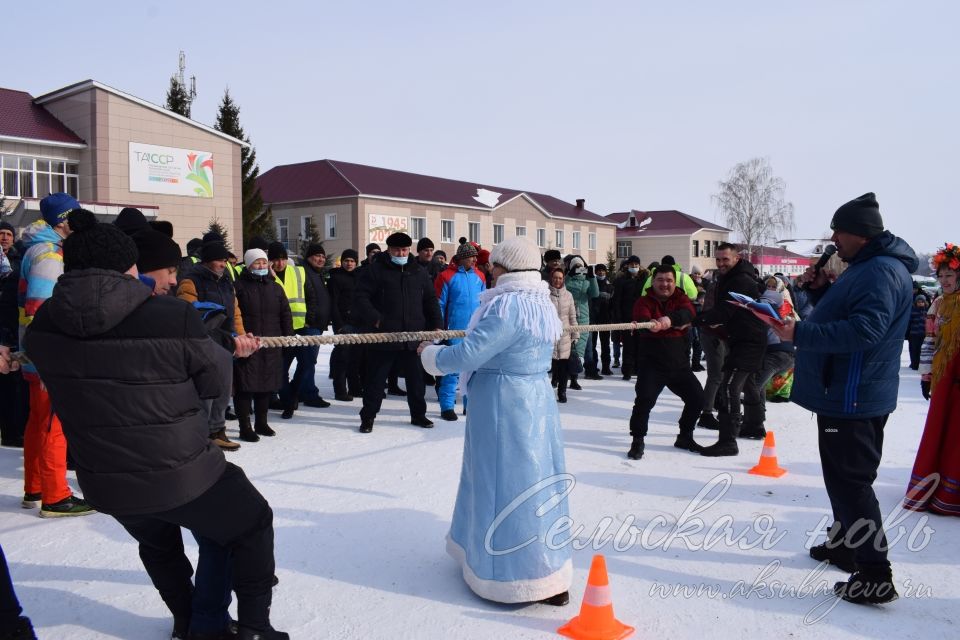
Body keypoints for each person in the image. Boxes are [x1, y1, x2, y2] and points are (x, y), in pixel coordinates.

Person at [23, 211, 287, 639]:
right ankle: (253, 628)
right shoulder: (171, 317)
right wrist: (222, 349)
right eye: (166, 270)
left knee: (157, 540)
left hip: (106, 480)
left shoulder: (43, 327)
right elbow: (214, 386)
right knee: (250, 521)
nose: (169, 278)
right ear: (131, 267)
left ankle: (188, 620)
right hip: (180, 472)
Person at [775, 192, 916, 605]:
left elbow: (866, 332)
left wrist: (799, 333)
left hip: (854, 395)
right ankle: (844, 546)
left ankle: (875, 574)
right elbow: (851, 316)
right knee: (842, 479)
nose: (833, 238)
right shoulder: (867, 267)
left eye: (838, 230)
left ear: (859, 233)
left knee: (852, 483)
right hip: (850, 393)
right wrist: (821, 295)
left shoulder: (878, 272)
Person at [418, 236, 571, 606]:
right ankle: (547, 569)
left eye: (495, 264)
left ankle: (511, 572)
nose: (490, 269)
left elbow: (470, 353)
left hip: (504, 404)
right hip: (534, 399)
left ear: (507, 267)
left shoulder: (507, 306)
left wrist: (431, 355)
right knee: (537, 479)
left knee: (501, 481)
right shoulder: (539, 301)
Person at [18, 192, 95, 517]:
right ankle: (56, 495)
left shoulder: (38, 249)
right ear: (63, 221)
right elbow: (40, 309)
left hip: (34, 353)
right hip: (47, 356)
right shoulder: (50, 256)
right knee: (54, 423)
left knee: (38, 422)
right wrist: (52, 357)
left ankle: (34, 488)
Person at [352, 232, 443, 433]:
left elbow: (430, 300)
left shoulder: (419, 272)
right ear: (389, 250)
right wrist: (376, 319)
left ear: (409, 250)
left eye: (404, 249)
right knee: (375, 381)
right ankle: (368, 417)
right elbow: (361, 297)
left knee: (416, 381)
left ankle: (418, 415)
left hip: (412, 337)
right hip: (384, 336)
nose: (400, 253)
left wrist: (437, 324)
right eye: (396, 250)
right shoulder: (376, 270)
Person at [626, 265, 705, 459]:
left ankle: (685, 435)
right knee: (644, 402)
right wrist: (648, 324)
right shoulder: (643, 301)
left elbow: (688, 314)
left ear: (674, 282)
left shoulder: (681, 298)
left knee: (697, 399)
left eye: (669, 280)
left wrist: (669, 320)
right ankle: (638, 440)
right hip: (652, 364)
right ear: (653, 282)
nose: (664, 284)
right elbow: (642, 319)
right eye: (660, 280)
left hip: (679, 365)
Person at [905, 243, 960, 516]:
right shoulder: (937, 303)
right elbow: (929, 342)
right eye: (941, 276)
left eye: (949, 276)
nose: (944, 281)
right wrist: (926, 377)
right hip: (943, 375)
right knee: (940, 430)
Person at [697, 243, 766, 457]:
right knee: (749, 383)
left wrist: (694, 320)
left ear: (736, 258)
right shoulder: (731, 277)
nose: (721, 263)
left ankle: (728, 441)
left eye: (725, 259)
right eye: (718, 259)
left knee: (728, 387)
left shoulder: (740, 280)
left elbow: (724, 311)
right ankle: (754, 426)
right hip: (741, 339)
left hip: (749, 341)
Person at [177, 239, 246, 452]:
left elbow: (235, 312)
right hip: (202, 342)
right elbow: (186, 308)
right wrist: (210, 311)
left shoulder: (226, 281)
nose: (223, 264)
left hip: (225, 341)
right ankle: (200, 433)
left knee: (223, 389)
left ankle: (217, 429)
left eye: (225, 260)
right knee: (204, 391)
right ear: (207, 261)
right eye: (219, 260)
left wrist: (241, 336)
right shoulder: (191, 280)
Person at [234, 249, 294, 442]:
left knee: (266, 385)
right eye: (256, 263)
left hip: (271, 343)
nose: (261, 266)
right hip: (248, 344)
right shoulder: (239, 286)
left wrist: (288, 337)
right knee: (245, 386)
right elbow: (234, 314)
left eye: (263, 263)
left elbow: (285, 313)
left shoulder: (275, 287)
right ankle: (245, 427)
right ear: (248, 265)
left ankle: (261, 422)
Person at [434, 242, 486, 420]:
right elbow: (439, 304)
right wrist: (440, 328)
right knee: (453, 368)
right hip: (453, 330)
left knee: (472, 370)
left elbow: (484, 304)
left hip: (474, 332)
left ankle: (469, 405)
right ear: (462, 257)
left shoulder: (480, 276)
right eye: (471, 256)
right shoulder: (446, 276)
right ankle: (447, 406)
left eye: (475, 257)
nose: (474, 259)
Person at [280, 242, 331, 417]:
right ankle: (304, 393)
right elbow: (306, 300)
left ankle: (299, 391)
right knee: (304, 362)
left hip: (314, 326)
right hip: (304, 326)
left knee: (308, 362)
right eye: (317, 255)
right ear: (309, 257)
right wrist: (309, 320)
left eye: (323, 256)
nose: (321, 259)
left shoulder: (317, 274)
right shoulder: (301, 272)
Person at [740, 288, 795, 440]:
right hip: (786, 354)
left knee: (754, 386)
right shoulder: (776, 311)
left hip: (777, 353)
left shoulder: (763, 312)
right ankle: (757, 418)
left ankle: (754, 424)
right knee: (759, 385)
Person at [0, 221, 28, 449]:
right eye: (1, 234)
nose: (5, 238)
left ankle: (14, 431)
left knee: (15, 383)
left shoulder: (20, 262)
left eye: (9, 234)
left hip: (14, 330)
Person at [328, 249, 362, 401]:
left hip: (357, 323)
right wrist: (338, 324)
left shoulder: (359, 278)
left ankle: (355, 388)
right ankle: (340, 390)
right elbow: (333, 303)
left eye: (352, 261)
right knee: (342, 358)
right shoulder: (336, 278)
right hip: (343, 323)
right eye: (346, 261)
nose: (349, 264)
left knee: (355, 358)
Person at [565, 256, 599, 386]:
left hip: (583, 317)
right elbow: (562, 288)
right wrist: (569, 274)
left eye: (581, 266)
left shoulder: (587, 280)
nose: (579, 269)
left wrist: (592, 277)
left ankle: (574, 378)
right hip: (568, 316)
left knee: (580, 348)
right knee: (567, 347)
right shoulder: (567, 278)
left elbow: (595, 294)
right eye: (576, 266)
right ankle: (563, 375)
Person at [611, 255, 647, 381]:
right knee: (628, 345)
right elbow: (617, 301)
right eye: (632, 265)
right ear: (627, 266)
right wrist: (619, 318)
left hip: (642, 318)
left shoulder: (644, 279)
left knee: (640, 345)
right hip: (627, 317)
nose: (634, 267)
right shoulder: (622, 281)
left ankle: (638, 369)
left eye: (636, 265)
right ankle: (627, 370)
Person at [548, 268, 579, 403]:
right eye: (555, 277)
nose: (557, 280)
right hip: (549, 336)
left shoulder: (569, 295)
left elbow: (572, 316)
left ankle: (562, 392)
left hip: (565, 336)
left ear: (563, 279)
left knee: (564, 367)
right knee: (550, 366)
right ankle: (547, 392)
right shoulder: (545, 295)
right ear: (551, 278)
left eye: (560, 278)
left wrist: (575, 334)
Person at [591, 263, 615, 376]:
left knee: (605, 345)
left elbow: (612, 303)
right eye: (599, 271)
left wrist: (611, 315)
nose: (601, 272)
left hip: (605, 318)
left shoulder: (610, 285)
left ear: (606, 272)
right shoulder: (592, 283)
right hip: (594, 318)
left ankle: (606, 367)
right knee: (592, 344)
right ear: (595, 272)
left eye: (603, 271)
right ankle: (593, 367)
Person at [906, 283, 929, 370]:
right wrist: (907, 333)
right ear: (916, 303)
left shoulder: (927, 312)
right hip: (914, 334)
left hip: (923, 334)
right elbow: (909, 323)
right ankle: (914, 364)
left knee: (921, 350)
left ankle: (920, 364)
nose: (920, 303)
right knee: (913, 350)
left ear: (924, 302)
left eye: (922, 302)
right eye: (919, 302)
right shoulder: (913, 311)